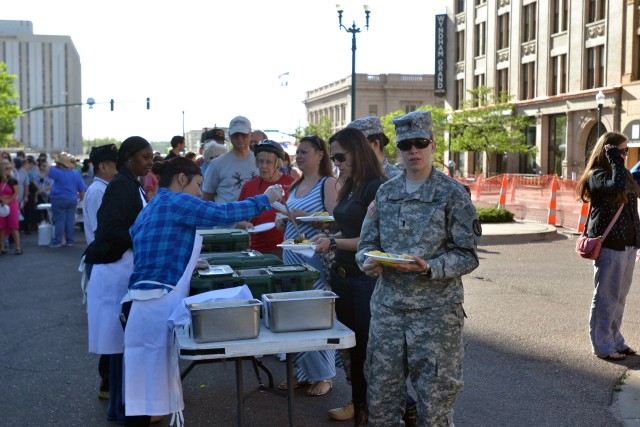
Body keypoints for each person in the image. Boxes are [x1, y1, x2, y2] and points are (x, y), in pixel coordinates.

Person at [122, 157, 284, 427]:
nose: (200, 192)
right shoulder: (177, 201)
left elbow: (146, 240)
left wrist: (183, 257)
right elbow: (220, 214)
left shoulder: (152, 205)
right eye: (198, 184)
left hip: (141, 298)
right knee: (148, 379)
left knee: (141, 380)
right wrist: (264, 199)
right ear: (182, 179)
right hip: (159, 297)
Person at [355, 110, 481, 426]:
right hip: (388, 312)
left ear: (432, 145)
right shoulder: (386, 193)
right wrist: (368, 263)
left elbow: (467, 255)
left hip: (435, 315)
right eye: (406, 144)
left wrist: (430, 268)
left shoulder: (452, 193)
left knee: (435, 408)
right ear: (398, 148)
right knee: (382, 405)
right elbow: (365, 246)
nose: (413, 151)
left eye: (420, 143)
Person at [309, 128, 386, 425]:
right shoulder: (352, 184)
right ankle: (359, 405)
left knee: (367, 351)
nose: (337, 162)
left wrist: (333, 242)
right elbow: (351, 229)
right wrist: (329, 237)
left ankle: (385, 407)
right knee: (352, 350)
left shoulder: (376, 186)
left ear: (359, 151)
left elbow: (373, 240)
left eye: (341, 156)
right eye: (333, 157)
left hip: (363, 280)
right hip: (342, 275)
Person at [84, 136, 153, 424]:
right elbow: (110, 229)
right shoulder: (119, 187)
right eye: (145, 157)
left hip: (122, 268)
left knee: (121, 346)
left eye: (151, 157)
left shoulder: (131, 184)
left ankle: (118, 406)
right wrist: (141, 240)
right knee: (121, 346)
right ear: (129, 160)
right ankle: (121, 408)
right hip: (113, 271)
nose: (150, 162)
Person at [274, 134, 340, 396]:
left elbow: (335, 221)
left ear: (320, 155)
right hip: (290, 259)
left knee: (316, 315)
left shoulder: (328, 183)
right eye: (298, 152)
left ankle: (325, 376)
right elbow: (291, 217)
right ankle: (301, 373)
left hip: (314, 260)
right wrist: (284, 222)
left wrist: (302, 217)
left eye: (304, 151)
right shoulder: (295, 184)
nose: (299, 156)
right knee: (294, 315)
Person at [577, 131, 640, 361]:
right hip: (610, 244)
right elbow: (616, 185)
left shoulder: (623, 173)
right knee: (606, 297)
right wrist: (613, 158)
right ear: (609, 151)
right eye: (621, 151)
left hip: (629, 245)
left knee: (620, 297)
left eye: (625, 151)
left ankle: (615, 339)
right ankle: (602, 345)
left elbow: (633, 199)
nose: (624, 155)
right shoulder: (598, 175)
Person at [81, 143, 119, 400]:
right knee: (108, 323)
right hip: (102, 260)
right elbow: (100, 231)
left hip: (104, 260)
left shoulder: (105, 189)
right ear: (103, 166)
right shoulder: (97, 192)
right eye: (116, 165)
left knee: (111, 322)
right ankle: (107, 383)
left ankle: (109, 381)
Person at [236, 140, 295, 257]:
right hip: (256, 249)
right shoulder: (249, 186)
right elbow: (239, 218)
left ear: (277, 164)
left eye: (268, 162)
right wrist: (245, 225)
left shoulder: (291, 184)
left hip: (285, 247)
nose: (263, 166)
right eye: (260, 161)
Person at [202, 116, 258, 202]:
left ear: (251, 135)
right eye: (236, 134)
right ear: (229, 136)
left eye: (243, 134)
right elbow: (207, 197)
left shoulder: (260, 162)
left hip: (255, 214)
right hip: (225, 214)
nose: (240, 138)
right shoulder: (216, 164)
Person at [46, 152, 86, 247]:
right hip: (72, 199)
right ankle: (70, 241)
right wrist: (82, 200)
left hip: (58, 199)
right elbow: (82, 189)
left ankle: (58, 241)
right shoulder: (76, 174)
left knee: (59, 220)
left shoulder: (57, 172)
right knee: (70, 221)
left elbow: (48, 169)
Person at [0, 160, 22, 255]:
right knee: (2, 227)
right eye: (6, 168)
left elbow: (16, 193)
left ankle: (18, 247)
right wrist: (2, 198)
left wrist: (8, 200)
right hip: (1, 204)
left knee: (13, 226)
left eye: (10, 168)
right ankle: (2, 248)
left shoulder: (13, 180)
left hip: (11, 204)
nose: (9, 170)